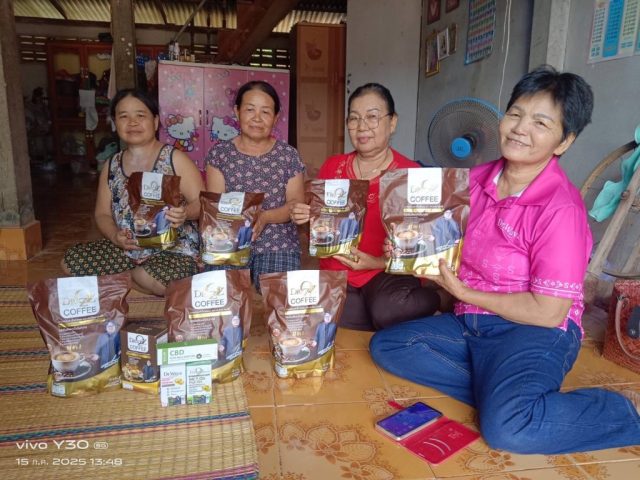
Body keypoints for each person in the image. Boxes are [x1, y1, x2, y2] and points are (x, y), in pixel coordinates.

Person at [370, 65, 640, 454]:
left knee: (510, 429)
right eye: (515, 113)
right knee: (391, 346)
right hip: (471, 322)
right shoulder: (474, 180)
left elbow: (548, 312)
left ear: (564, 141)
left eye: (541, 123)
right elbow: (441, 239)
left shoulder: (560, 208)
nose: (520, 128)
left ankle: (623, 412)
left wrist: (466, 293)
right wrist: (408, 248)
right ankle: (498, 394)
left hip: (534, 330)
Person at [290, 83, 442, 331]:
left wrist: (376, 262)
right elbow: (318, 235)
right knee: (321, 320)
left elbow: (424, 250)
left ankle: (438, 300)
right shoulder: (333, 167)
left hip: (386, 272)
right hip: (338, 271)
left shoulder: (412, 174)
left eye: (372, 117)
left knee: (390, 310)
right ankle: (370, 313)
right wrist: (307, 219)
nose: (362, 126)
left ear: (392, 122)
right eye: (354, 118)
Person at [61, 89, 202, 296]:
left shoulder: (175, 159)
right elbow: (102, 214)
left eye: (140, 115)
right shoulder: (112, 165)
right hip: (128, 249)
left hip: (174, 250)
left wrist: (185, 213)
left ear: (155, 122)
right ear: (114, 123)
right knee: (70, 262)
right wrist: (115, 237)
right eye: (124, 116)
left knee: (156, 280)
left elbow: (202, 202)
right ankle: (134, 278)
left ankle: (129, 279)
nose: (132, 123)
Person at [205, 81, 304, 291]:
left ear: (276, 117)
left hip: (278, 238)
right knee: (221, 293)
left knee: (279, 294)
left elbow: (295, 203)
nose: (257, 118)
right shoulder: (220, 154)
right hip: (229, 236)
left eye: (265, 112)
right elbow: (215, 207)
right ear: (237, 111)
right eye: (250, 109)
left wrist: (265, 217)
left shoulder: (288, 155)